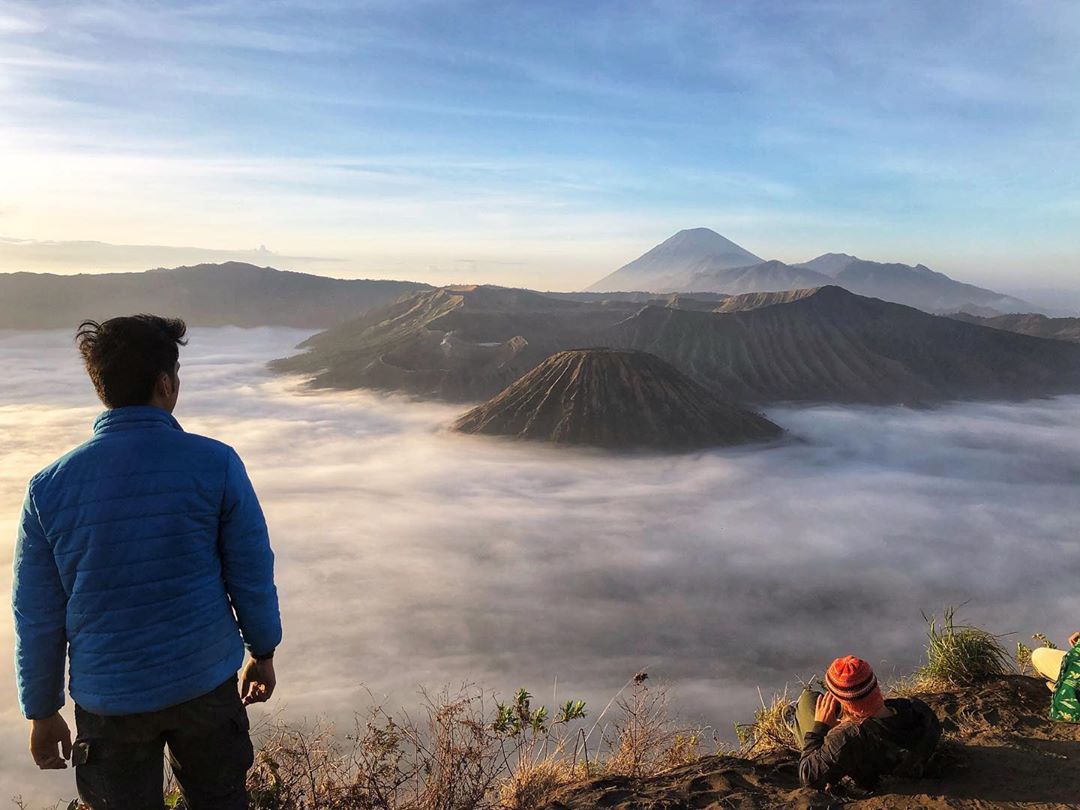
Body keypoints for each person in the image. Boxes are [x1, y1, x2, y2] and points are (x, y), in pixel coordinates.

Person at [12, 315, 282, 810]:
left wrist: (42, 709)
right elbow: (250, 569)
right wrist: (261, 649)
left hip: (109, 700)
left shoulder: (47, 489)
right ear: (165, 383)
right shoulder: (216, 464)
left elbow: (37, 614)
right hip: (204, 684)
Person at [790, 656, 940, 791]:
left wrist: (820, 727)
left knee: (808, 699)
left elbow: (808, 776)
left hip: (859, 765)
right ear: (874, 686)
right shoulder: (918, 710)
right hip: (891, 755)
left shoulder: (848, 737)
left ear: (843, 702)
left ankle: (793, 720)